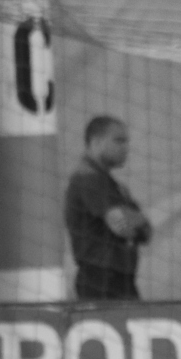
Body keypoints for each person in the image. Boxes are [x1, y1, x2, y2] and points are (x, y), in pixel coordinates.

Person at [64, 115, 151, 301]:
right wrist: (136, 220)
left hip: (117, 281)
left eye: (126, 141)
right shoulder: (88, 179)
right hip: (101, 283)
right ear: (96, 142)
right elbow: (121, 225)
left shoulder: (110, 183)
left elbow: (147, 231)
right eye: (119, 141)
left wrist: (137, 222)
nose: (126, 148)